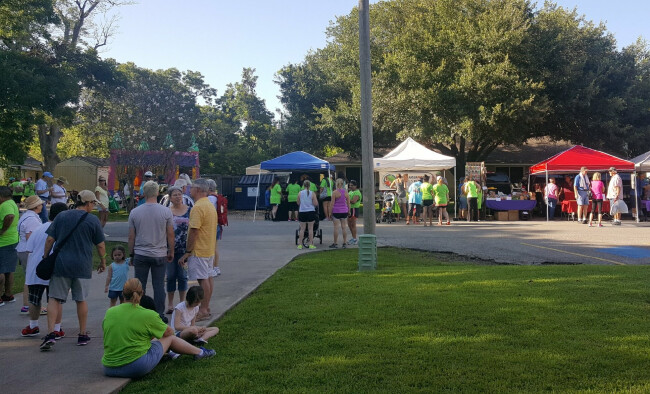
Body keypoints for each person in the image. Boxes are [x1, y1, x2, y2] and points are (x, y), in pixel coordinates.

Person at [102, 278, 215, 378]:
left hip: (109, 367)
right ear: (142, 293)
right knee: (169, 338)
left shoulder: (110, 312)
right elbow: (170, 333)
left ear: (123, 293)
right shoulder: (148, 314)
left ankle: (174, 353)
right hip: (135, 367)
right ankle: (200, 352)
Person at [40, 190, 106, 350]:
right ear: (89, 203)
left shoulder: (62, 216)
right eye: (93, 204)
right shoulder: (92, 220)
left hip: (61, 264)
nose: (94, 207)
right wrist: (103, 261)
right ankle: (82, 334)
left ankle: (50, 333)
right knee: (80, 299)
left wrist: (45, 256)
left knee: (54, 298)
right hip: (82, 266)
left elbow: (50, 239)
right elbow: (100, 244)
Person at [20, 202, 68, 337]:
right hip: (54, 270)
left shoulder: (39, 229)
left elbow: (29, 248)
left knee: (34, 299)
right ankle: (57, 328)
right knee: (56, 299)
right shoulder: (61, 230)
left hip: (36, 269)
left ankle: (33, 326)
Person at [128, 181, 174, 318]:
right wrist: (171, 250)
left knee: (139, 286)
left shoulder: (135, 212)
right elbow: (170, 234)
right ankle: (159, 314)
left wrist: (131, 254)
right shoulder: (166, 211)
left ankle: (139, 313)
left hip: (141, 254)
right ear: (158, 193)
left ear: (143, 194)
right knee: (159, 285)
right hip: (159, 253)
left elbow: (131, 236)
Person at [179, 179, 217, 321]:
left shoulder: (198, 207)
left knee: (203, 279)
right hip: (208, 248)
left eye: (192, 187)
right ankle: (206, 307)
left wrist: (188, 251)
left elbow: (194, 230)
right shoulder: (209, 204)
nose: (190, 189)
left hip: (200, 249)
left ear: (199, 190)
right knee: (208, 277)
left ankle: (203, 309)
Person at [17, 195, 45, 314]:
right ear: (36, 206)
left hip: (24, 249)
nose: (42, 206)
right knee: (32, 279)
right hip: (29, 251)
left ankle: (27, 305)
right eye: (40, 204)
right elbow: (31, 237)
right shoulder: (32, 219)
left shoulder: (28, 216)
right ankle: (30, 305)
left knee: (29, 277)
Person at [165, 186, 190, 313]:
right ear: (170, 197)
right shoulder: (167, 211)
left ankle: (182, 303)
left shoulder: (189, 210)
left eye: (179, 194)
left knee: (182, 276)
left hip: (184, 250)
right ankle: (170, 304)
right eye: (174, 195)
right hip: (169, 250)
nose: (178, 197)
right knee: (170, 276)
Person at [0, 186, 19, 306]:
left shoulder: (4, 205)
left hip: (3, 242)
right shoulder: (12, 203)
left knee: (1, 270)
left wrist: (2, 230)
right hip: (12, 240)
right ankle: (8, 295)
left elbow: (9, 217)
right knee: (9, 270)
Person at [297, 180, 318, 250]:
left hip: (302, 211)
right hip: (311, 211)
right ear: (309, 186)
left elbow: (298, 203)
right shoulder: (312, 193)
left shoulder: (300, 193)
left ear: (303, 185)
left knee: (302, 229)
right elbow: (315, 203)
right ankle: (311, 244)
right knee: (310, 229)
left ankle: (300, 244)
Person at [206, 179, 221, 278]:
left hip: (212, 225)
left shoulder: (210, 198)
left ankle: (213, 267)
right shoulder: (216, 197)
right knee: (215, 247)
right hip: (217, 224)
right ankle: (216, 267)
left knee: (211, 248)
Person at [330, 178, 350, 248]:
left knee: (336, 228)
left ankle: (335, 243)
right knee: (344, 227)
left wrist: (330, 212)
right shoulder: (346, 192)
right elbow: (348, 203)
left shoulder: (334, 192)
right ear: (342, 184)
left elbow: (332, 204)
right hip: (344, 211)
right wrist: (349, 211)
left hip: (336, 211)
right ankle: (344, 242)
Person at [347, 180, 362, 245]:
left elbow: (353, 201)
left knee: (353, 225)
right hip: (349, 209)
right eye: (350, 185)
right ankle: (353, 237)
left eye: (352, 185)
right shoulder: (350, 192)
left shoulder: (357, 192)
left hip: (354, 209)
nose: (350, 186)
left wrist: (347, 200)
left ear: (356, 186)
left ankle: (355, 238)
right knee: (349, 224)